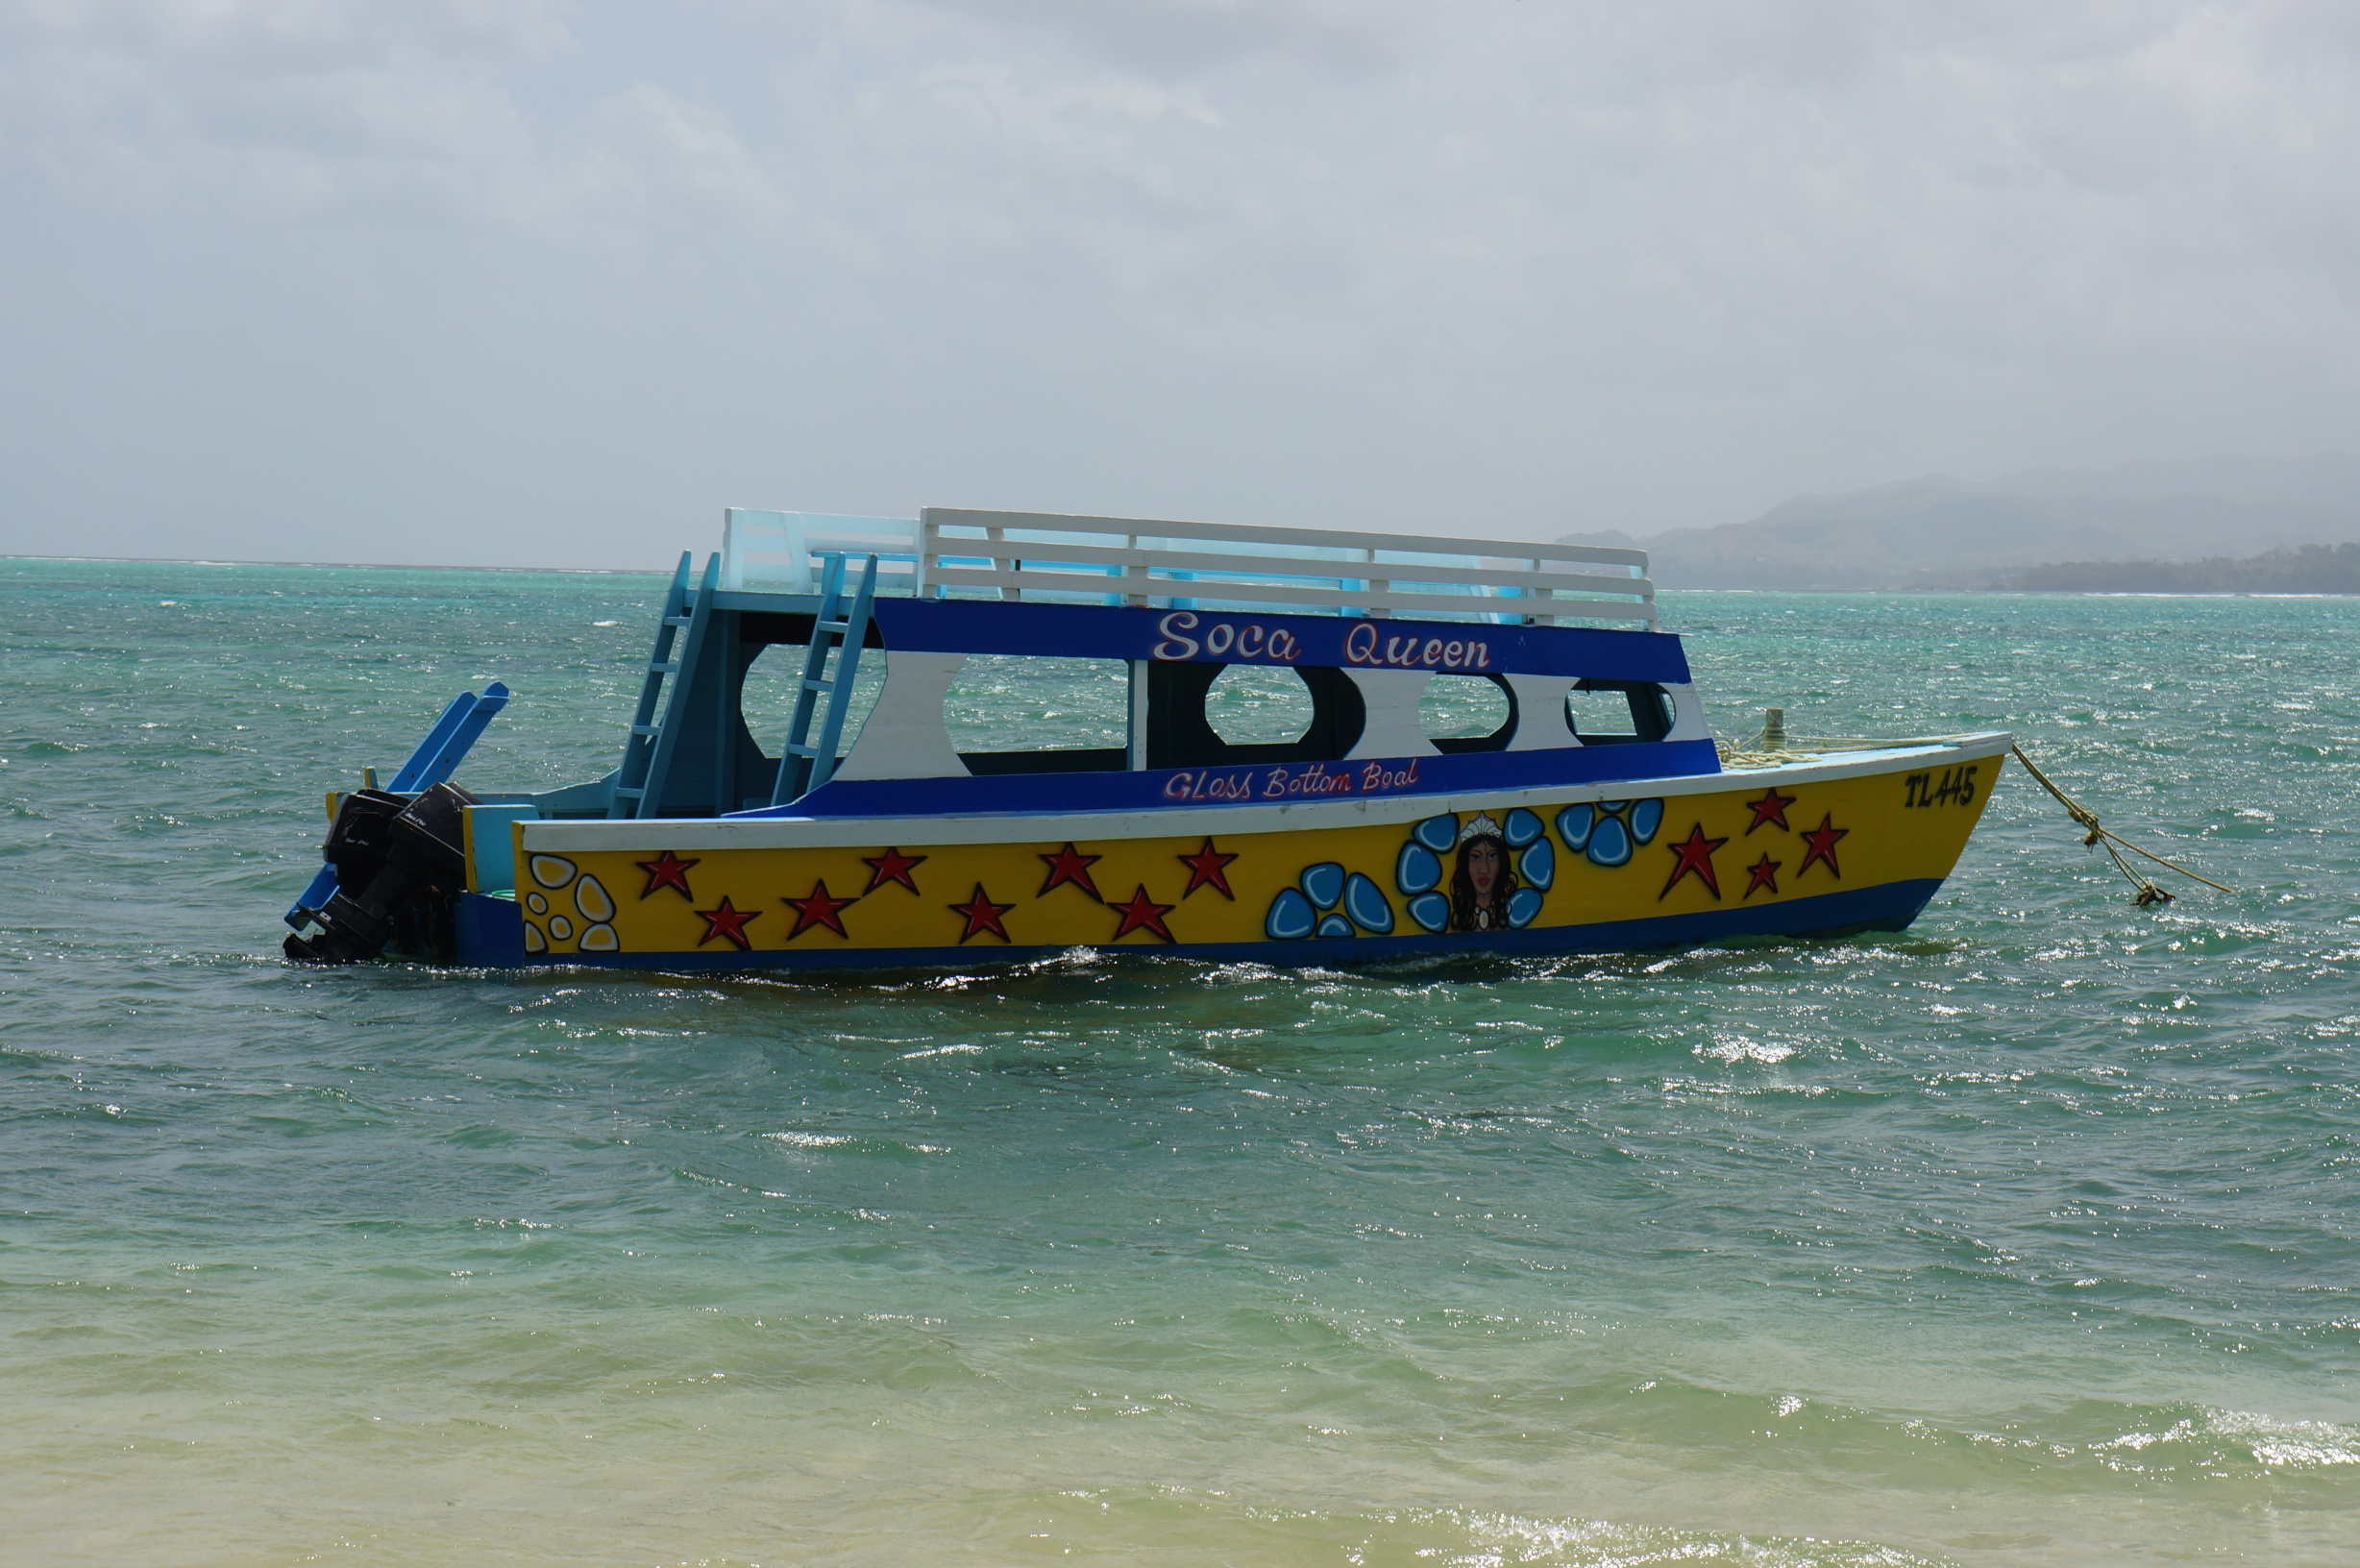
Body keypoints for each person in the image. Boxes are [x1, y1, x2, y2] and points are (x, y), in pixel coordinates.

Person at [1449, 814, 1520, 932]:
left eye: (1492, 856)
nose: (1484, 870)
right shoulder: (1457, 916)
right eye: (1475, 857)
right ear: (1465, 864)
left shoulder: (1514, 911)